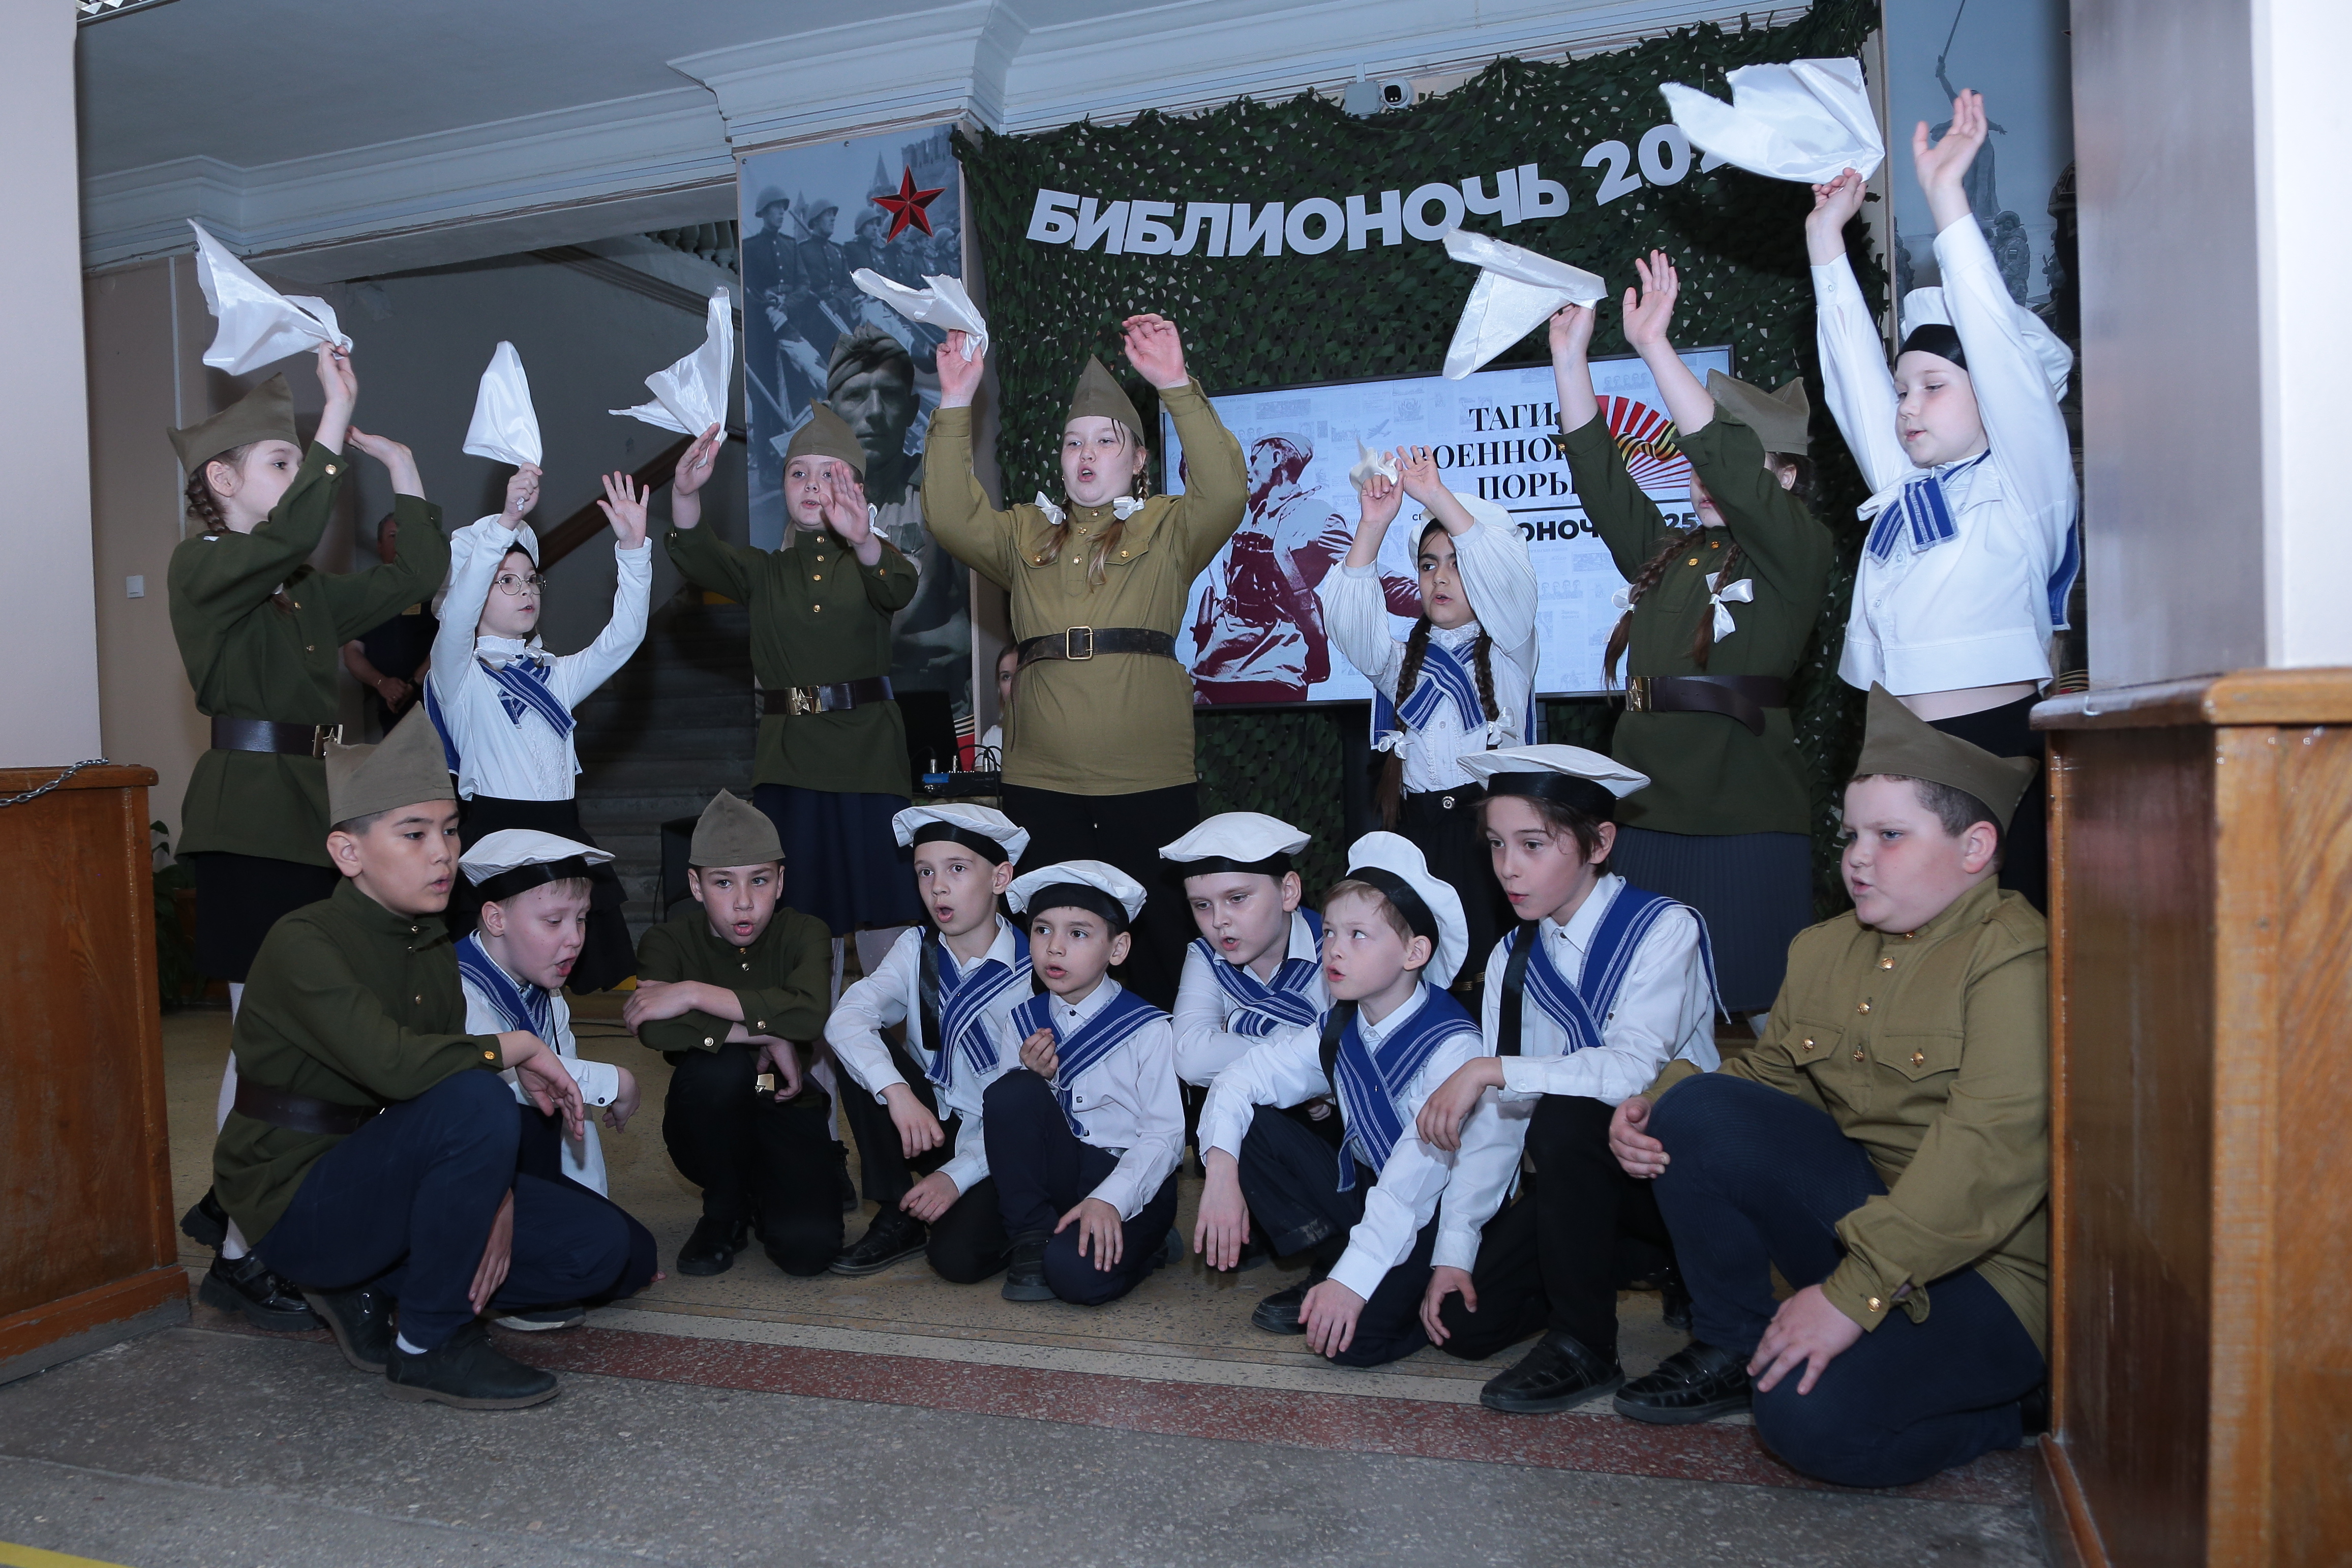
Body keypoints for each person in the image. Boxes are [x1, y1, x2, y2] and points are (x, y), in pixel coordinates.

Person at [1609, 685, 2047, 1489]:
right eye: (1850, 834)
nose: (1856, 857)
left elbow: (1987, 1155)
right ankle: (1732, 1342)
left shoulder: (2011, 958)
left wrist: (1850, 1296)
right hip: (1865, 1222)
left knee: (1805, 1422)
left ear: (1974, 847)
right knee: (1694, 1107)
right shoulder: (1823, 949)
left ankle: (2011, 1409)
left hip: (1984, 1269)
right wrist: (1652, 1105)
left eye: (1889, 835)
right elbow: (1765, 1090)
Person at [216, 712, 656, 1409]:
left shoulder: (424, 943)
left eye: (450, 831)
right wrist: (516, 1046)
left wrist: (497, 1200)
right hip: (300, 1198)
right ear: (348, 852)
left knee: (603, 1250)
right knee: (477, 1095)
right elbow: (396, 1068)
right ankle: (431, 1340)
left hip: (395, 1176)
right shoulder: (305, 942)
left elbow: (437, 1090)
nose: (443, 853)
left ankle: (375, 1283)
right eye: (414, 834)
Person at [167, 346, 447, 1329]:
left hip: (315, 814)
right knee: (264, 1040)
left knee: (307, 1033)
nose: (297, 476)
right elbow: (290, 530)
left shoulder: (302, 593)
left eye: (298, 461)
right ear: (221, 480)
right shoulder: (203, 568)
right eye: (279, 461)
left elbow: (418, 574)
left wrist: (402, 466)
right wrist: (331, 415)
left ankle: (245, 1209)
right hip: (248, 820)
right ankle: (241, 1253)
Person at [925, 316, 1248, 1009]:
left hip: (1148, 780)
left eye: (1106, 441)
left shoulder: (1168, 526)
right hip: (1042, 783)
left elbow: (1225, 492)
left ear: (1138, 459)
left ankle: (1169, 1067)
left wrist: (1175, 385)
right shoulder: (1023, 533)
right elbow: (949, 515)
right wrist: (954, 402)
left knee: (1159, 941)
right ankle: (1057, 1068)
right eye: (1074, 442)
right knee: (1054, 940)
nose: (1086, 455)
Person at [1808, 89, 2076, 911]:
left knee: (2002, 932)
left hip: (1989, 747)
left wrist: (1947, 202)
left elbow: (1996, 346)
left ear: (1992, 395)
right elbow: (1852, 378)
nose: (1906, 407)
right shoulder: (1905, 489)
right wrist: (1824, 242)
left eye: (1932, 385)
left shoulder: (2024, 484)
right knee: (1894, 939)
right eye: (1903, 390)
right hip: (1891, 745)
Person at [1549, 254, 1834, 1021]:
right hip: (1647, 816)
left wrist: (1654, 346)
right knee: (1645, 1014)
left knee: (1763, 1013)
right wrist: (1569, 361)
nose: (1701, 477)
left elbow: (1726, 463)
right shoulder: (1674, 554)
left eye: (1725, 465)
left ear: (1782, 480)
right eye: (1693, 464)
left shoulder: (1795, 552)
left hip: (1741, 821)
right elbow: (1603, 483)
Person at [1410, 746, 1718, 1412]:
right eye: (1497, 845)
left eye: (1532, 845)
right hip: (1586, 1180)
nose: (1508, 867)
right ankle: (1636, 1260)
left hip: (1675, 1172)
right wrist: (1455, 1250)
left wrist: (1489, 1068)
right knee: (1464, 1324)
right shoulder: (1512, 955)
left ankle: (1586, 1344)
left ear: (1599, 843)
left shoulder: (1664, 929)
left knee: (1566, 1113)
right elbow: (1497, 1120)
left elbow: (1632, 1069)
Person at [1192, 833, 1481, 1368]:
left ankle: (1382, 1285)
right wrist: (1221, 1174)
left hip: (1434, 1211)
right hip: (1373, 1192)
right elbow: (1240, 1079)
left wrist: (1357, 1280)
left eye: (1358, 935)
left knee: (1354, 1344)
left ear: (1415, 952)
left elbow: (1414, 1181)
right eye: (1328, 932)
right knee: (1249, 1124)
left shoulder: (1453, 1047)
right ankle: (1332, 1262)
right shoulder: (1339, 1023)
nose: (1334, 950)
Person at [666, 404, 925, 987]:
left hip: (868, 758)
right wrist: (685, 492)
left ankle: (901, 1041)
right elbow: (698, 553)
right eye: (798, 473)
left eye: (829, 473)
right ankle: (809, 1043)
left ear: (856, 487)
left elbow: (899, 586)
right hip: (790, 762)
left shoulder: (873, 559)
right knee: (804, 919)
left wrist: (864, 540)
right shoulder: (766, 572)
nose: (812, 485)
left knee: (887, 912)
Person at [426, 446, 677, 992]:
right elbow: (458, 618)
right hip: (494, 834)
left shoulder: (555, 674)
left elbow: (624, 639)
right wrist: (506, 522)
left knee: (568, 976)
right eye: (505, 581)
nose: (525, 591)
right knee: (490, 981)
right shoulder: (458, 674)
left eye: (531, 579)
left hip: (561, 828)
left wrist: (634, 550)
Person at [1320, 448, 1537, 990]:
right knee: (1414, 985)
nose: (1441, 577)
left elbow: (1505, 583)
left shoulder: (1512, 645)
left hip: (1488, 837)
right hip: (1414, 836)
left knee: (1493, 983)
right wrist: (1373, 525)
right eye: (1428, 564)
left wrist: (1436, 496)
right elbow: (1348, 624)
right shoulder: (1398, 661)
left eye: (1458, 563)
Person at [624, 790, 837, 1278]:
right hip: (706, 1116)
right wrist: (765, 1035)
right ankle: (724, 1209)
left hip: (783, 1100)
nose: (744, 902)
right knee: (716, 1070)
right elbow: (653, 1028)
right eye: (723, 883)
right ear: (695, 886)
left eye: (759, 880)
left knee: (808, 1252)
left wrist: (693, 993)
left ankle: (779, 1184)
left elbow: (809, 1015)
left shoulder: (805, 932)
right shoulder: (667, 941)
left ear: (781, 881)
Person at [455, 828, 651, 1332]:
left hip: (527, 1176)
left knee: (635, 1257)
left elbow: (573, 1118)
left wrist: (595, 1207)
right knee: (602, 1256)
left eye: (581, 919)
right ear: (495, 918)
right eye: (553, 921)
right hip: (467, 1182)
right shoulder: (458, 989)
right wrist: (619, 1079)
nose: (575, 939)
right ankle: (477, 1285)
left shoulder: (547, 993)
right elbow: (530, 1083)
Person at [825, 804, 1032, 1281]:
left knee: (958, 1260)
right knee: (860, 1051)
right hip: (930, 1123)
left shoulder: (1037, 970)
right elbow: (846, 1019)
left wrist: (956, 1176)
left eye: (957, 869)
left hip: (1005, 1141)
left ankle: (1033, 1219)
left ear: (1000, 878)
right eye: (925, 871)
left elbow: (1037, 1107)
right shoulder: (917, 948)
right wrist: (897, 1093)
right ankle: (897, 1211)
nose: (937, 887)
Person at [982, 861, 1184, 1306]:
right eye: (1042, 930)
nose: (1055, 948)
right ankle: (1032, 1237)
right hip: (1060, 1171)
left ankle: (1152, 1246)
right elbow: (1010, 1126)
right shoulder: (1022, 1021)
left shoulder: (1148, 1029)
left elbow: (1165, 1136)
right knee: (1012, 1091)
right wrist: (1036, 1081)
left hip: (1127, 1176)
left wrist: (1112, 1199)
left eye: (1078, 934)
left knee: (1075, 1278)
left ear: (1118, 948)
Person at [828, 325, 970, 714]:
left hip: (931, 705)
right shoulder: (813, 509)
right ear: (831, 413)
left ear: (911, 409)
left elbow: (982, 614)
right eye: (856, 396)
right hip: (846, 712)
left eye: (889, 395)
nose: (874, 412)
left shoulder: (939, 497)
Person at [1159, 811, 1326, 1091]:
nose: (1218, 921)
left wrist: (1236, 1029)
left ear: (1288, 892)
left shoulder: (1335, 947)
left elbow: (1358, 1055)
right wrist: (1309, 1074)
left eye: (1237, 898)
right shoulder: (1205, 956)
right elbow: (1191, 1060)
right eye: (1202, 905)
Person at [339, 513, 436, 736]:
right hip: (393, 709)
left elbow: (451, 642)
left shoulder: (435, 589)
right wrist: (382, 683)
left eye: (405, 537)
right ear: (380, 545)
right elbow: (352, 652)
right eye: (393, 536)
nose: (400, 543)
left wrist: (414, 683)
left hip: (435, 703)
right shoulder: (365, 596)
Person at [977, 642, 1018, 760]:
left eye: (1019, 673)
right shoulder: (993, 736)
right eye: (1006, 677)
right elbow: (980, 771)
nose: (1013, 684)